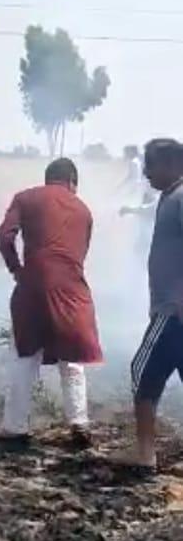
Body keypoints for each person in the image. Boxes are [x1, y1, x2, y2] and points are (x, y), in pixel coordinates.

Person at [0, 157, 102, 446]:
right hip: (72, 289)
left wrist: (16, 268)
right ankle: (79, 423)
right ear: (72, 183)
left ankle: (15, 427)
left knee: (24, 355)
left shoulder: (25, 198)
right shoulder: (84, 210)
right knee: (72, 359)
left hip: (33, 286)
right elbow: (80, 254)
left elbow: (4, 235)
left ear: (48, 179)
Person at [121, 138, 183, 471]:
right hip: (171, 309)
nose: (145, 172)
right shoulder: (169, 196)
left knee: (142, 372)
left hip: (172, 311)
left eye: (151, 165)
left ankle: (145, 454)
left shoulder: (180, 197)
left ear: (171, 164)